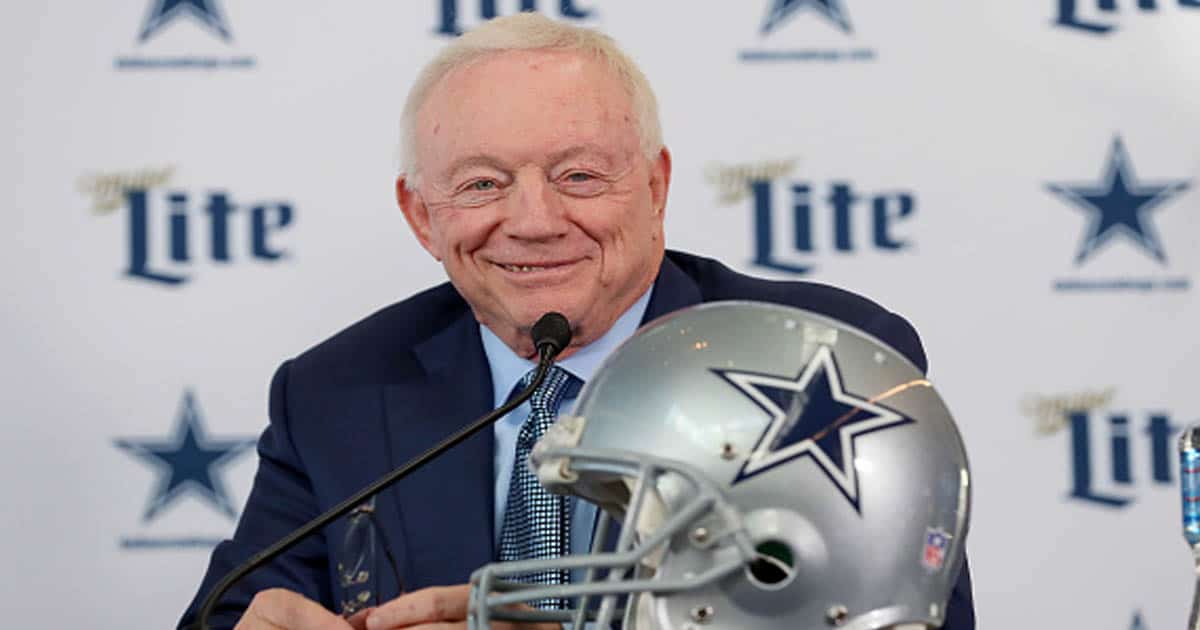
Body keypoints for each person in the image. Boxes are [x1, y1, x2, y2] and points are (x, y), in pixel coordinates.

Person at [180, 13, 975, 630]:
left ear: (656, 188)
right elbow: (232, 611)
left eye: (579, 175)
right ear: (422, 217)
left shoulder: (818, 356)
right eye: (484, 184)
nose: (534, 220)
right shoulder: (335, 393)